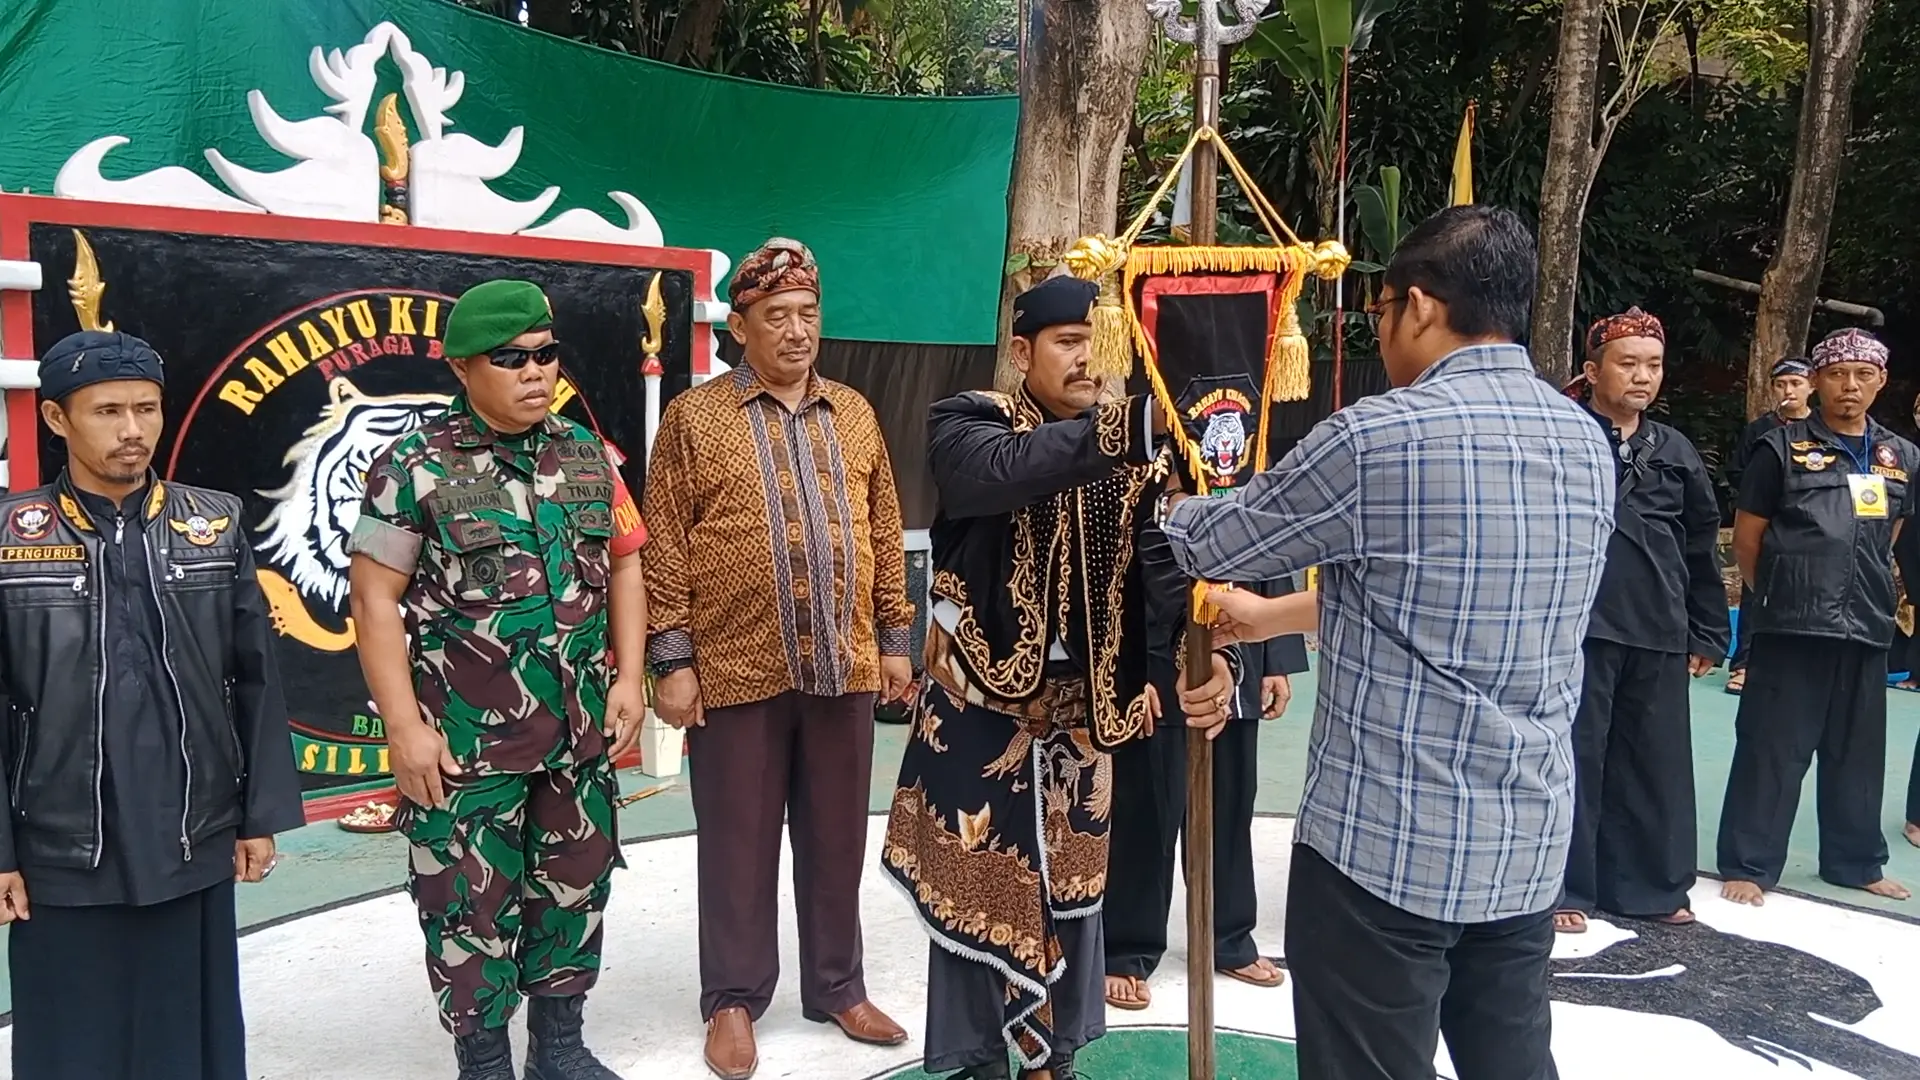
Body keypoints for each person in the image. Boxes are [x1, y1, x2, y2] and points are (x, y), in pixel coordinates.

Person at [1155, 205, 1614, 1080]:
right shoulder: (1584, 441)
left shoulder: (1380, 437)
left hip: (1385, 851)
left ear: (1422, 307)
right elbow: (1451, 605)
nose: (1384, 332)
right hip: (1522, 840)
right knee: (1510, 1061)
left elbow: (1216, 541)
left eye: (1381, 311)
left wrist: (1156, 485)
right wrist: (1272, 616)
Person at [880, 273, 1235, 1080]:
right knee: (979, 893)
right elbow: (1002, 471)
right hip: (978, 710)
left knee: (1072, 896)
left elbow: (1165, 572)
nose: (1086, 360)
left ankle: (1055, 1059)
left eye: (1096, 344)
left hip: (1084, 718)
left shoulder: (1133, 453)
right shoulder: (966, 422)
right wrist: (1128, 427)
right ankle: (979, 1062)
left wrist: (1205, 655)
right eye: (1068, 343)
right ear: (1022, 352)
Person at [346, 280, 650, 1080]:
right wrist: (406, 729)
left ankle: (560, 1047)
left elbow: (625, 565)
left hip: (580, 736)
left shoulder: (588, 455)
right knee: (466, 908)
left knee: (575, 890)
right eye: (510, 358)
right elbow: (374, 602)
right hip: (466, 746)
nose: (534, 371)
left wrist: (630, 678)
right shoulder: (413, 466)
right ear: (463, 367)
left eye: (545, 354)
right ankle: (484, 1061)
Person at [639, 238, 916, 1080]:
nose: (797, 332)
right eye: (776, 317)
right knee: (737, 842)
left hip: (843, 665)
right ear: (741, 328)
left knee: (836, 837)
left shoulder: (856, 412)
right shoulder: (695, 420)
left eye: (808, 315)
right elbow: (666, 551)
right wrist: (672, 660)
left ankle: (839, 985)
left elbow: (882, 529)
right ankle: (731, 999)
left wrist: (896, 639)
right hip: (734, 670)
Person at [0, 330, 305, 1080]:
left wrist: (257, 815)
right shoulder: (10, 537)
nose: (132, 430)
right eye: (107, 411)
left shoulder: (213, 523)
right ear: (56, 419)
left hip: (189, 832)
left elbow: (255, 676)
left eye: (146, 409)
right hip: (60, 841)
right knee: (72, 1039)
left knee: (186, 1036)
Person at [1718, 326, 1916, 906]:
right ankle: (1750, 865)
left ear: (1880, 381)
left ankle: (1854, 863)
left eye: (1862, 375)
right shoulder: (1779, 448)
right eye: (1835, 374)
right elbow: (1749, 537)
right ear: (1817, 381)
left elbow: (1889, 536)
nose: (1849, 386)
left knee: (1857, 751)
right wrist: (1779, 593)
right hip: (1791, 623)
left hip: (1866, 625)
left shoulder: (1900, 456)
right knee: (1772, 747)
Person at [1551, 309, 1729, 935]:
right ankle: (1566, 886)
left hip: (1657, 628)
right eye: (1628, 363)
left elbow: (1700, 544)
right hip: (1576, 630)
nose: (1642, 376)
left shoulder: (1674, 450)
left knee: (1654, 763)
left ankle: (1651, 887)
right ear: (1593, 370)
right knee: (1576, 757)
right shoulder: (1562, 433)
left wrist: (1707, 629)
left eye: (1652, 365)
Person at [1103, 568, 1306, 1008]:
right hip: (1150, 654)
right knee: (1148, 807)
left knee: (1231, 807)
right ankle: (1127, 947)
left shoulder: (1247, 493)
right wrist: (1120, 672)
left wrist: (1276, 660)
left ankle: (1228, 936)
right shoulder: (1151, 496)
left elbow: (1270, 553)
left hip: (1241, 651)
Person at [1724, 358, 1814, 694]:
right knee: (1754, 590)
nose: (1789, 390)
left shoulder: (1822, 429)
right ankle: (1745, 662)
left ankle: (1800, 667)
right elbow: (1738, 472)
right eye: (1781, 384)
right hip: (1765, 523)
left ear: (1812, 386)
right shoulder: (1760, 429)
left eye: (1796, 383)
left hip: (1807, 526)